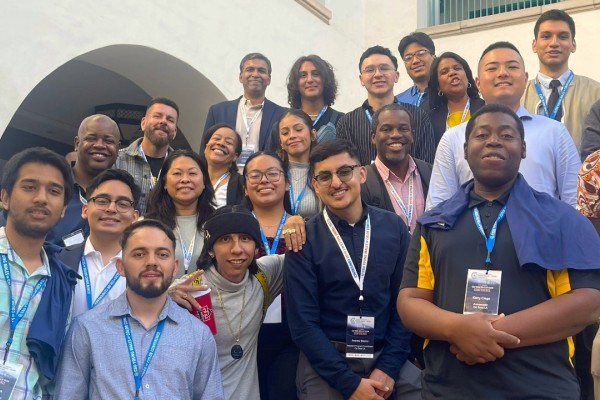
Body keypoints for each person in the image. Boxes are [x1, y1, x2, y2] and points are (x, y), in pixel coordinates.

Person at [398, 104, 600, 399]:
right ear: (465, 150)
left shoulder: (561, 219)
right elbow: (410, 300)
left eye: (507, 135)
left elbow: (588, 301)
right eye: (482, 135)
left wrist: (488, 335)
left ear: (524, 149)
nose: (494, 141)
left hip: (540, 386)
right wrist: (457, 329)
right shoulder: (434, 224)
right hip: (449, 388)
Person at [285, 139, 421, 400]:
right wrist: (350, 384)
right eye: (325, 176)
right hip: (327, 361)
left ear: (362, 173)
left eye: (344, 171)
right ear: (315, 185)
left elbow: (405, 305)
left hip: (384, 355)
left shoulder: (394, 228)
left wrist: (388, 368)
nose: (336, 183)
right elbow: (303, 325)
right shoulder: (303, 239)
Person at [55, 219, 224, 400]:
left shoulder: (198, 335)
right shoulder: (87, 329)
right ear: (120, 266)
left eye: (162, 254)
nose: (151, 262)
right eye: (139, 254)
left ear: (175, 267)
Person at [427, 41, 580, 209]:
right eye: (492, 68)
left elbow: (575, 203)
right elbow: (438, 208)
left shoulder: (555, 132)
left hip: (542, 234)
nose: (502, 73)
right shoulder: (453, 138)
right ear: (478, 83)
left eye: (512, 67)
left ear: (525, 78)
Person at [171, 205, 286, 399]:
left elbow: (311, 251)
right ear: (210, 250)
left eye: (245, 238)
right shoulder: (189, 289)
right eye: (225, 239)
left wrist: (296, 223)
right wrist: (161, 297)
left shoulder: (264, 276)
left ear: (256, 247)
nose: (237, 249)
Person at [0, 147, 78, 398]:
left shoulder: (60, 282)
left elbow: (49, 374)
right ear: (5, 197)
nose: (42, 198)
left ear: (64, 208)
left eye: (54, 191)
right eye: (29, 187)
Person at [0, 114, 121, 246]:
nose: (99, 145)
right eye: (91, 138)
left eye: (108, 141)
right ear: (77, 143)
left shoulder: (123, 199)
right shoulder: (49, 188)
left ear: (118, 148)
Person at [242, 150, 305, 400]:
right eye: (255, 175)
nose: (264, 180)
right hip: (243, 331)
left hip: (291, 338)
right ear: (245, 187)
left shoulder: (305, 227)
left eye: (272, 173)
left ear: (287, 182)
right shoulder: (235, 229)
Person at [57, 169, 140, 318]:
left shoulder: (142, 269)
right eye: (102, 201)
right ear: (85, 210)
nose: (111, 209)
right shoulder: (58, 260)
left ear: (134, 217)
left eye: (123, 203)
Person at [336, 45, 436, 165]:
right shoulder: (347, 123)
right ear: (361, 79)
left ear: (396, 76)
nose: (378, 74)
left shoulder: (418, 116)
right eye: (370, 70)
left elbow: (427, 166)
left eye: (384, 68)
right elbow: (345, 168)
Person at [522, 9, 600, 153]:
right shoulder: (518, 95)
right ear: (534, 45)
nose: (554, 43)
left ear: (573, 44)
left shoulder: (596, 93)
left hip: (580, 174)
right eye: (546, 36)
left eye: (563, 37)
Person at [201, 53, 286, 168]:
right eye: (250, 69)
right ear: (241, 77)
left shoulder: (282, 115)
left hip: (262, 180)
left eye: (261, 71)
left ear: (269, 79)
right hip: (226, 178)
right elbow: (204, 150)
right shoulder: (218, 111)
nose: (255, 74)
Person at [361, 104, 431, 234]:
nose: (395, 135)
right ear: (373, 137)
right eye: (386, 129)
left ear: (412, 135)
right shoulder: (362, 182)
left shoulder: (430, 174)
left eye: (403, 129)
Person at [145, 150, 214, 278]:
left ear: (204, 181)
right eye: (177, 173)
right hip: (161, 297)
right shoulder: (146, 226)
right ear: (164, 182)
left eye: (192, 173)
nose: (185, 180)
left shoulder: (217, 222)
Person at [115, 97, 179, 214]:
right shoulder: (117, 160)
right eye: (157, 116)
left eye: (170, 120)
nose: (163, 121)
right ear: (143, 123)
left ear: (174, 132)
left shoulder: (180, 168)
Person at [268, 54, 343, 151]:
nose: (310, 80)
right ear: (295, 83)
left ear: (326, 79)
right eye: (303, 75)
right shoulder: (282, 125)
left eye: (316, 74)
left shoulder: (342, 122)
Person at [423, 52, 485, 145]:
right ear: (438, 87)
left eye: (457, 68)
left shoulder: (485, 108)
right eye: (444, 72)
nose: (452, 73)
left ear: (467, 77)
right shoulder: (430, 119)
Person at [277, 109, 321, 219]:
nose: (292, 136)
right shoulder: (274, 172)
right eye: (285, 133)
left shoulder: (324, 170)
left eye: (298, 129)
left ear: (313, 134)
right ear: (281, 142)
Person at [202, 123, 245, 207]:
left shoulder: (241, 185)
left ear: (235, 156)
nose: (221, 143)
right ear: (205, 148)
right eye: (216, 138)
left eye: (228, 142)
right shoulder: (192, 178)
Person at [395, 32, 436, 107]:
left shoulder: (448, 94)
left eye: (421, 53)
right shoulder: (397, 102)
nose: (415, 61)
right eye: (408, 58)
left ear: (434, 57)